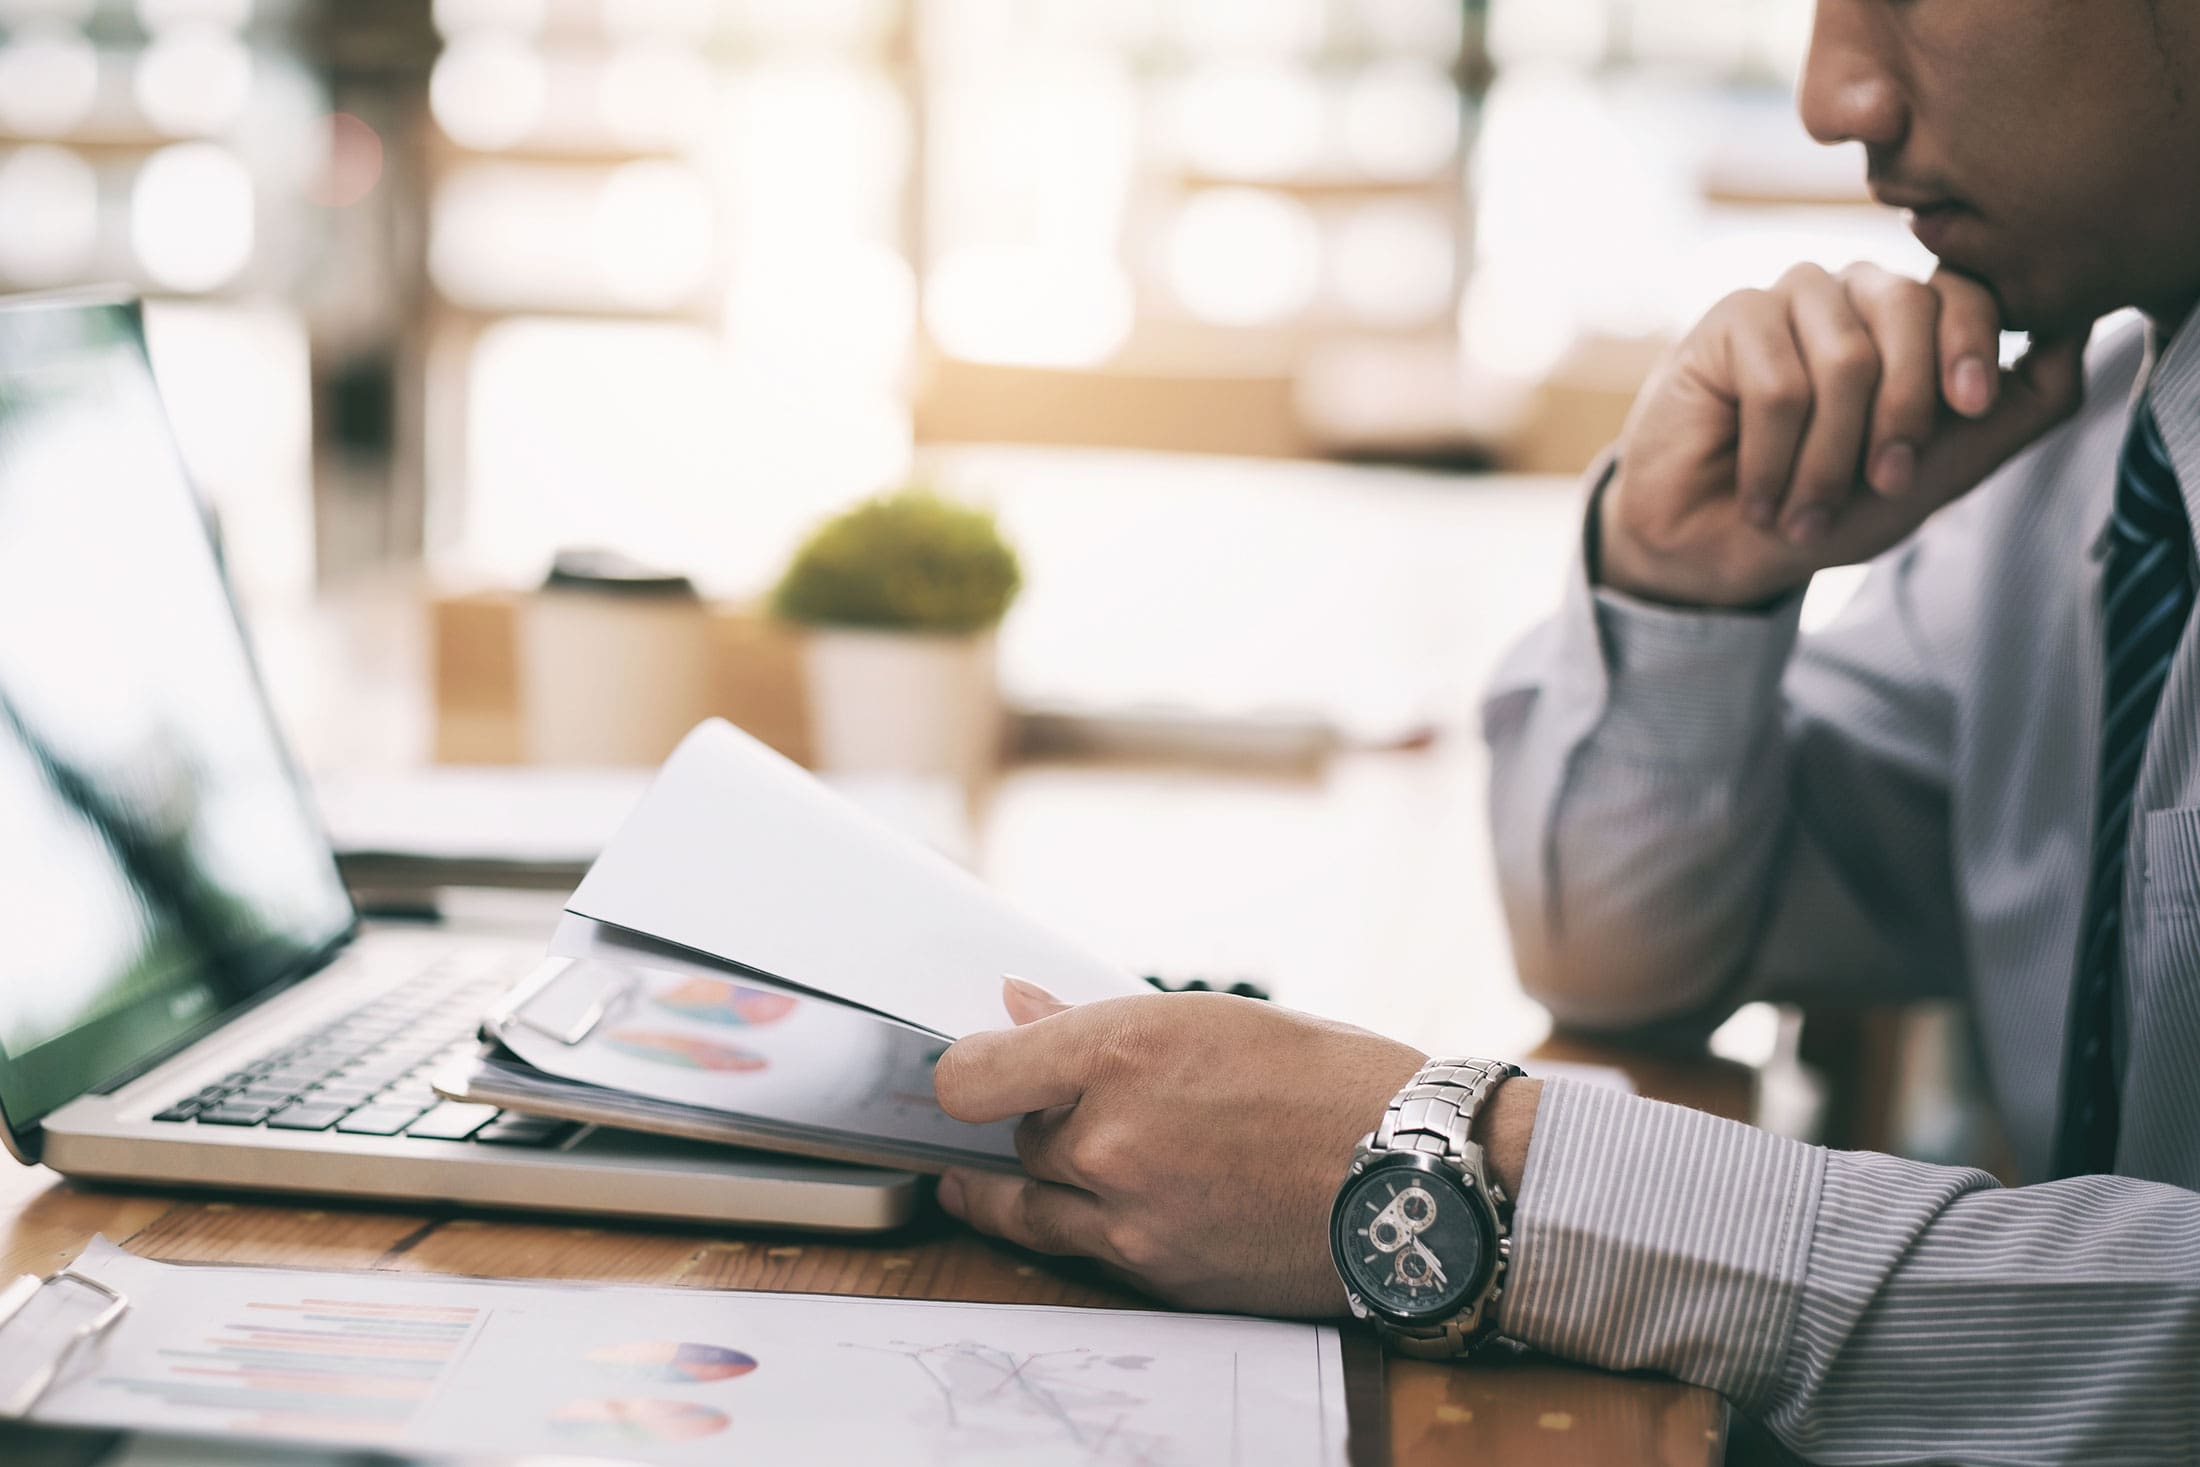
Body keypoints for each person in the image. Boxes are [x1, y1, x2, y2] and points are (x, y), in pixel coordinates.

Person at [929, 1, 2200, 1460]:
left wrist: (1484, 1182)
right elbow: (1626, 946)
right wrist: (1686, 590)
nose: (1831, 94)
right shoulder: (2088, 447)